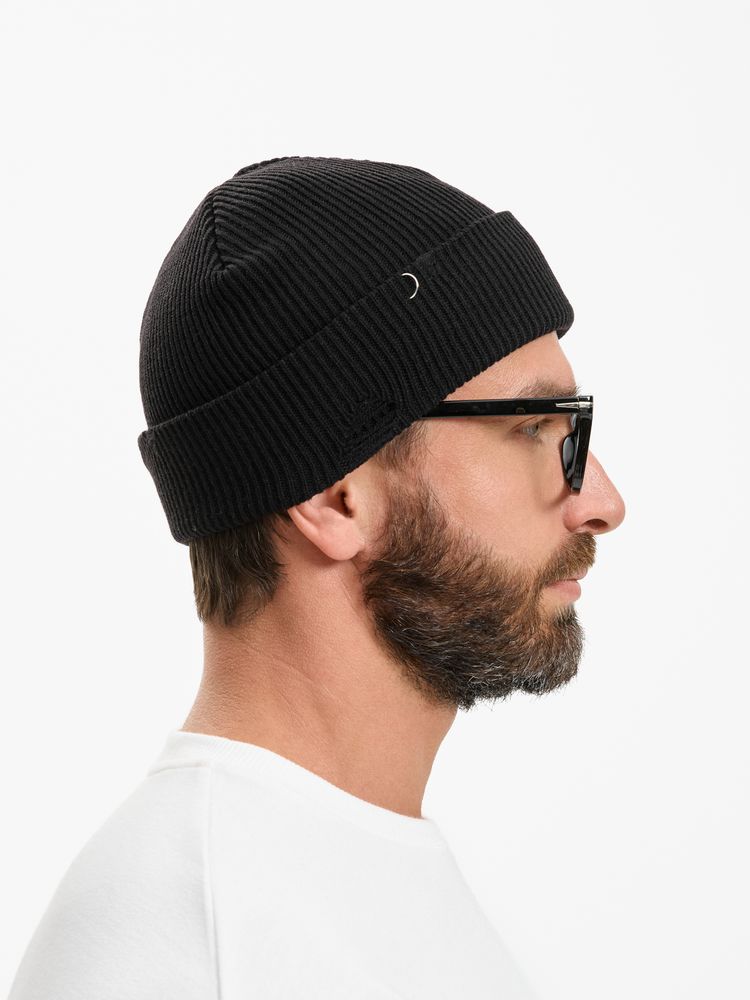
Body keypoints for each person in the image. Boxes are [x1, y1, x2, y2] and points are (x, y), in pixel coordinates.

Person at [8, 156, 625, 999]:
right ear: (334, 497)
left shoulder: (349, 867)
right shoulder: (183, 936)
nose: (603, 503)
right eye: (531, 427)